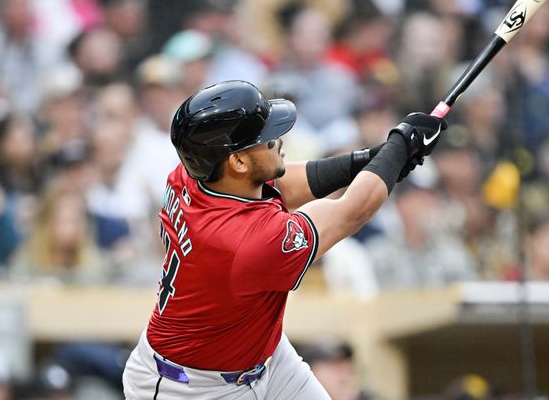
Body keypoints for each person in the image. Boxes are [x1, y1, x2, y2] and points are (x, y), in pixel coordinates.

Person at [122, 80, 445, 398]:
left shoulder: (194, 174)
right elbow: (351, 210)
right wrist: (398, 147)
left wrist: (375, 159)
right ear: (237, 161)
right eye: (266, 139)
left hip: (265, 359)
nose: (278, 140)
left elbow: (282, 181)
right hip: (190, 388)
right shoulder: (247, 242)